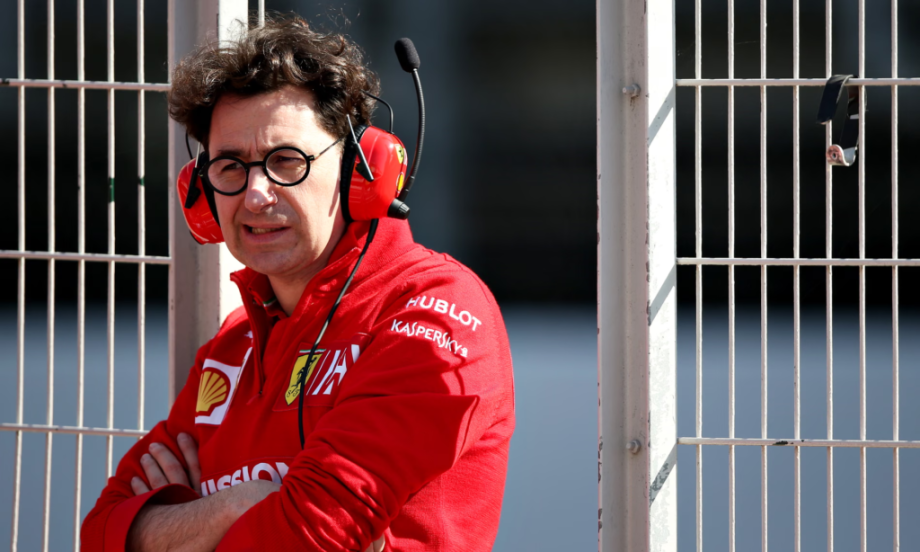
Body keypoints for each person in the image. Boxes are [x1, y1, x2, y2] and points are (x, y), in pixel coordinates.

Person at [80, 15, 515, 552]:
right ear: (200, 190)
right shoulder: (232, 346)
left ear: (360, 169)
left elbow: (314, 535)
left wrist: (177, 528)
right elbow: (100, 533)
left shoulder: (436, 309)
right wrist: (239, 504)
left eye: (286, 161)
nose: (255, 194)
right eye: (230, 166)